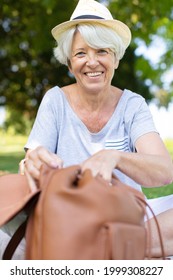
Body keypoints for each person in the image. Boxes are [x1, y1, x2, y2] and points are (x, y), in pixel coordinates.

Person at [12, 0, 173, 258]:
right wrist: (30, 164)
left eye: (102, 51)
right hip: (67, 220)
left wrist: (115, 156)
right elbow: (31, 165)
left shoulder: (133, 105)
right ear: (69, 63)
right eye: (80, 53)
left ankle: (92, 250)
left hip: (128, 219)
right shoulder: (55, 101)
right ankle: (122, 250)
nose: (91, 62)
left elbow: (164, 172)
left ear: (116, 59)